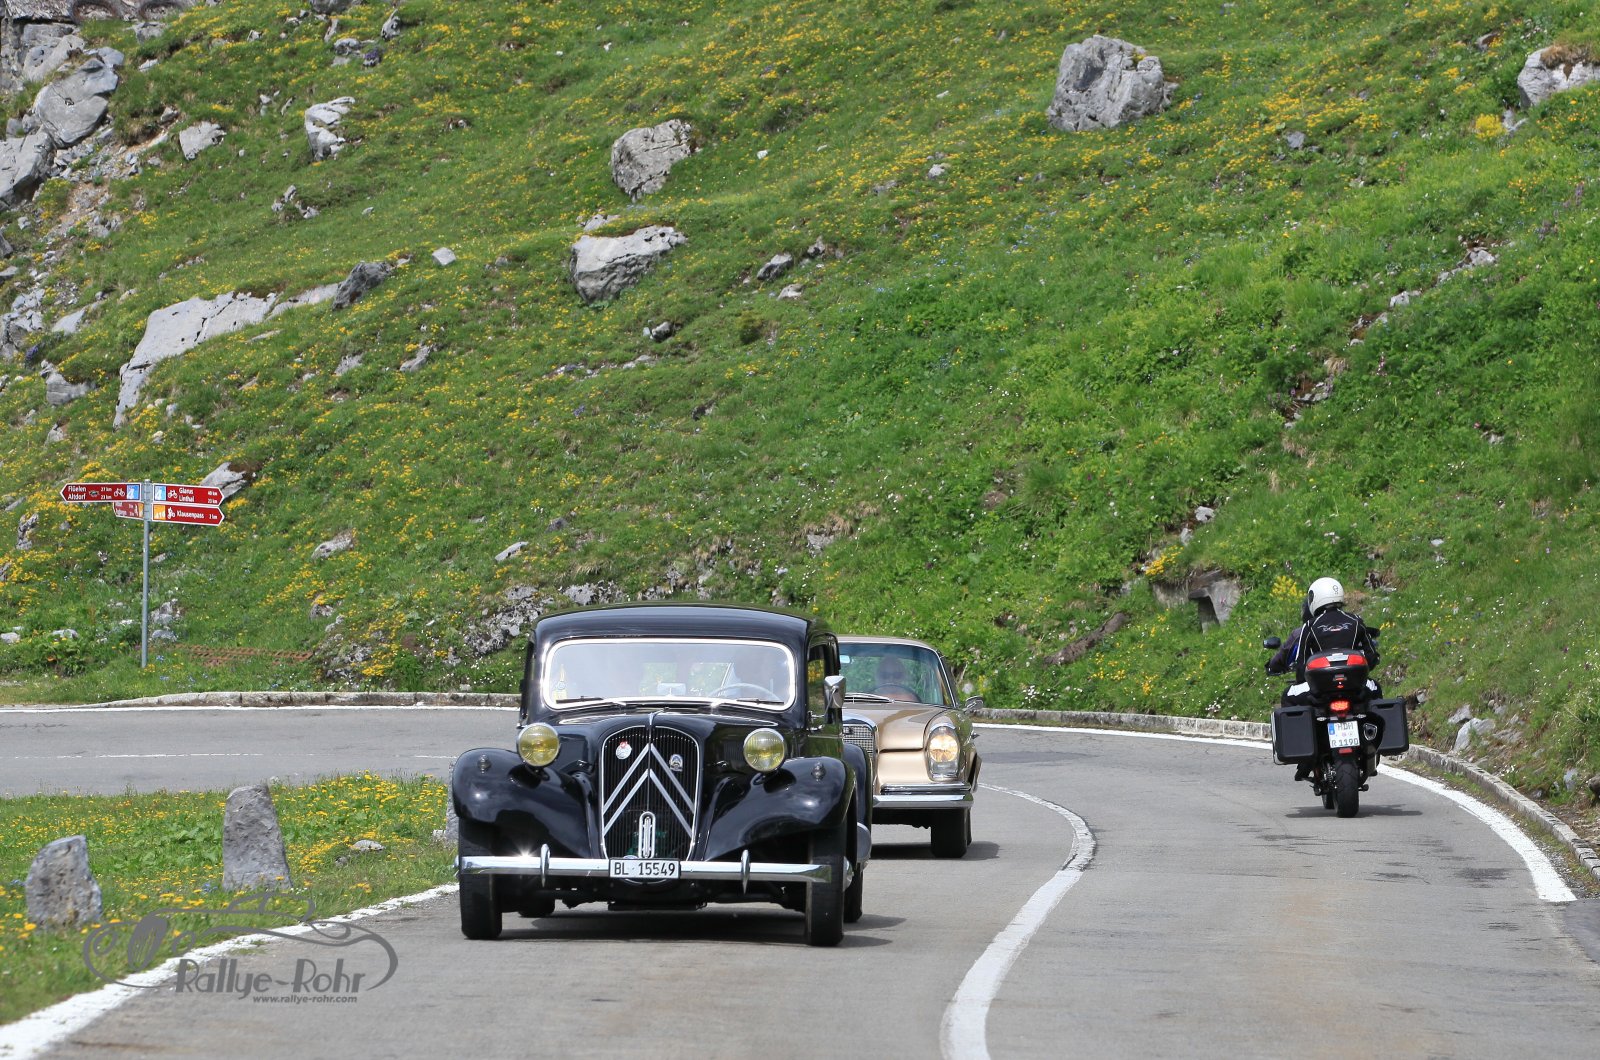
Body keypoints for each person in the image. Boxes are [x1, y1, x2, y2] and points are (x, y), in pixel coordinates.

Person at [1267, 576, 1382, 780]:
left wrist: (1302, 679)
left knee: (1288, 696)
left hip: (1320, 691)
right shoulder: (1355, 621)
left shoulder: (1309, 626)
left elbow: (1302, 663)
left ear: (1314, 598)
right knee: (1376, 690)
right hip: (1355, 688)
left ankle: (1302, 751)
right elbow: (1372, 657)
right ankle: (1373, 744)